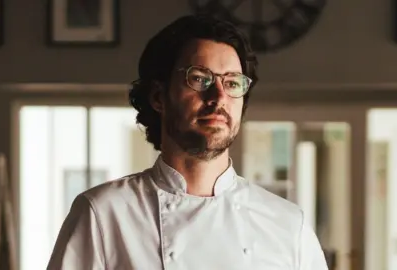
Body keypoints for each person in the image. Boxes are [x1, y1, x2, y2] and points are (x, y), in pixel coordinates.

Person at [46, 14, 329, 270]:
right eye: (199, 78)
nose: (218, 97)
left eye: (232, 83)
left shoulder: (288, 225)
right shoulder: (103, 214)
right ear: (158, 97)